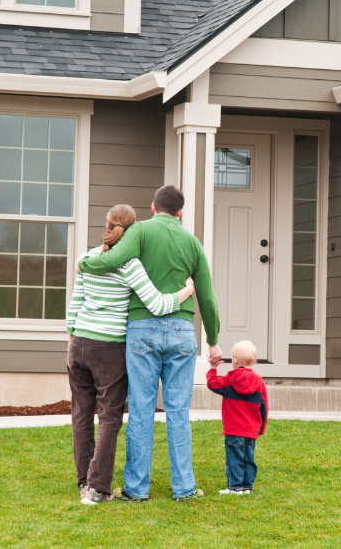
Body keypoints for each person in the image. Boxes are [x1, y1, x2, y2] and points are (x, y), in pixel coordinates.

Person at [78, 185, 220, 502]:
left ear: (153, 206)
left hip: (142, 330)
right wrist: (213, 341)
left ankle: (136, 490)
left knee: (141, 410)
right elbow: (206, 296)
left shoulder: (140, 231)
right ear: (180, 211)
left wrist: (84, 265)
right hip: (183, 330)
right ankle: (184, 489)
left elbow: (112, 259)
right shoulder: (193, 243)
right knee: (178, 412)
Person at [206, 341, 268, 495]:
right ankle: (247, 486)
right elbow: (264, 407)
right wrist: (261, 428)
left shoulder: (229, 379)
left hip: (234, 429)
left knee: (234, 457)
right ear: (253, 361)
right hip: (251, 430)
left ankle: (235, 487)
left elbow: (212, 384)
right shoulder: (259, 382)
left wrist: (213, 369)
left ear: (234, 360)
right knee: (248, 457)